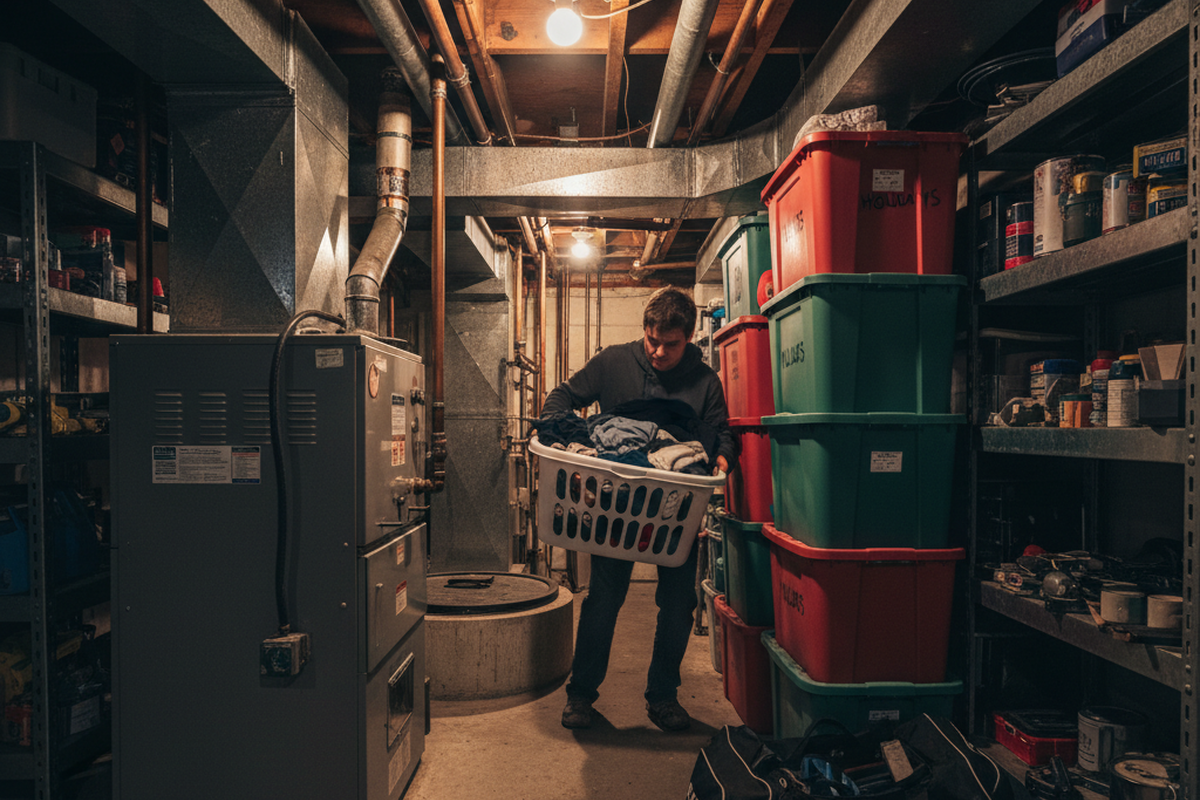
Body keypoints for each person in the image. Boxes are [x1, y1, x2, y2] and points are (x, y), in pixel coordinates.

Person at [539, 286, 735, 732]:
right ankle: (581, 697)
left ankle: (663, 698)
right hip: (617, 510)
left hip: (676, 513)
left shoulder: (704, 381)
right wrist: (562, 439)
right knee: (603, 602)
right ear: (644, 330)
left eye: (671, 343)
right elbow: (563, 397)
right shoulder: (613, 361)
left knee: (678, 605)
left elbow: (721, 431)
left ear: (689, 339)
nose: (659, 351)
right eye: (652, 340)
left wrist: (723, 456)